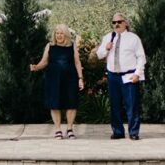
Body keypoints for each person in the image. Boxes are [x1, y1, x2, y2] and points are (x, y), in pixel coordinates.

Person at [93, 11, 146, 140]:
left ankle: (133, 132)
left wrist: (137, 74)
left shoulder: (133, 38)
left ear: (125, 23)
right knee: (114, 105)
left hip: (129, 75)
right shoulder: (108, 37)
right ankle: (118, 131)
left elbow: (141, 57)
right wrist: (106, 48)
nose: (116, 24)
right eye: (114, 22)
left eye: (119, 22)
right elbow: (99, 55)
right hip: (113, 76)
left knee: (131, 105)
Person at [30, 25, 84, 139]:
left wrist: (80, 78)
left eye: (61, 33)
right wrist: (36, 67)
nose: (59, 35)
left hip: (70, 79)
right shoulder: (50, 46)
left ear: (66, 35)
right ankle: (58, 129)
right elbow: (44, 62)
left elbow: (77, 62)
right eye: (57, 33)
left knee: (71, 103)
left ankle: (70, 129)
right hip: (53, 79)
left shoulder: (72, 45)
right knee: (54, 104)